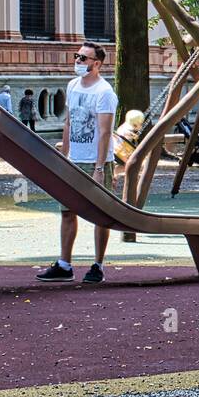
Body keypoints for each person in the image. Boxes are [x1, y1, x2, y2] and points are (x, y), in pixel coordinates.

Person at [37, 41, 118, 284]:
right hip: (74, 159)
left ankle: (98, 264)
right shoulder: (72, 86)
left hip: (95, 160)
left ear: (97, 63)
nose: (78, 61)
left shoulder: (104, 92)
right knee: (67, 211)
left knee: (100, 214)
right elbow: (69, 122)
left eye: (83, 58)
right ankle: (64, 264)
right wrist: (65, 154)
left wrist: (100, 168)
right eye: (77, 56)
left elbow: (105, 132)